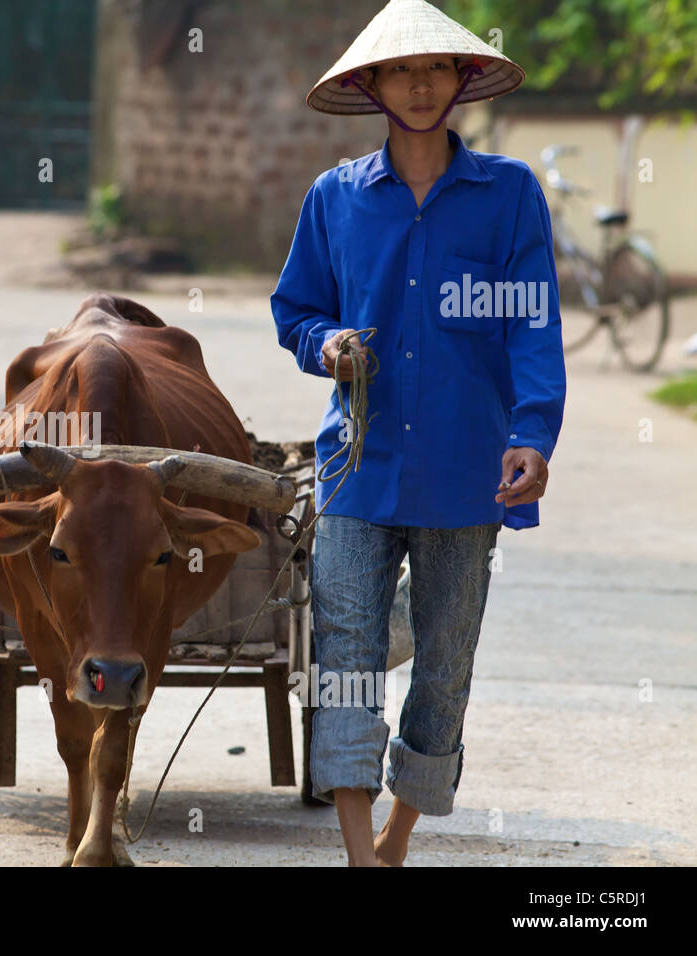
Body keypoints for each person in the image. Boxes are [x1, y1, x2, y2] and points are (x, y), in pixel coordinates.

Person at [270, 0, 567, 866]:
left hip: (466, 471)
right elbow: (297, 309)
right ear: (372, 87)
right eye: (403, 70)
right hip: (358, 473)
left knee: (443, 658)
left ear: (464, 80)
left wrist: (533, 435)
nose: (421, 83)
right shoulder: (335, 199)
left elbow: (533, 328)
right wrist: (325, 344)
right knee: (348, 657)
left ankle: (400, 835)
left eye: (437, 68)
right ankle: (361, 854)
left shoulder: (509, 196)